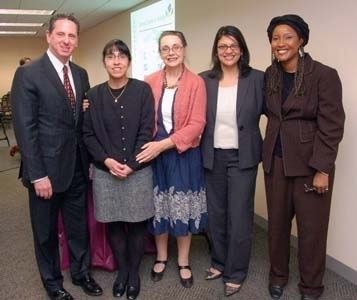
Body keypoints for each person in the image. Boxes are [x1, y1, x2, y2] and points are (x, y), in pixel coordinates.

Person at [10, 13, 103, 300]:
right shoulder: (29, 73)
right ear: (48, 36)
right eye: (60, 34)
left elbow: (78, 121)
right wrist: (38, 174)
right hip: (45, 173)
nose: (66, 40)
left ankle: (81, 273)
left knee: (78, 227)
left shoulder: (80, 73)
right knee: (46, 233)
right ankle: (52, 283)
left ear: (77, 40)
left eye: (72, 35)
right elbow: (26, 129)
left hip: (76, 166)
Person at [263, 15, 345, 300]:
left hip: (311, 166)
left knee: (311, 232)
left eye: (287, 37)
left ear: (301, 40)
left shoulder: (324, 75)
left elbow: (332, 125)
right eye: (275, 38)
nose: (280, 43)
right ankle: (278, 275)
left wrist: (322, 168)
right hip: (276, 163)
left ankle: (311, 287)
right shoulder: (269, 75)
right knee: (276, 226)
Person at [82, 39, 155, 300]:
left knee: (136, 224)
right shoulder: (92, 95)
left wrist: (132, 164)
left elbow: (147, 129)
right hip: (105, 171)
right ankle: (122, 271)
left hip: (138, 171)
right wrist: (107, 161)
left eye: (122, 56)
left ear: (129, 61)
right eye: (111, 56)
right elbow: (88, 135)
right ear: (104, 62)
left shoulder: (143, 90)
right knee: (113, 223)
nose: (116, 61)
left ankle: (133, 273)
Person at [136, 30, 207, 288]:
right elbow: (141, 116)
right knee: (159, 206)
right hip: (156, 157)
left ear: (184, 49)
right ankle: (162, 256)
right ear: (159, 52)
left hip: (183, 153)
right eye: (165, 48)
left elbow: (198, 123)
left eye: (176, 46)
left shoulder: (196, 82)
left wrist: (163, 145)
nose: (171, 52)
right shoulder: (149, 80)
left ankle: (184, 260)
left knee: (182, 206)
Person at [199, 25, 264, 297]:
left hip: (243, 158)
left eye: (233, 46)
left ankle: (235, 272)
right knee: (216, 214)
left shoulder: (257, 79)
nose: (228, 51)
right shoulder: (204, 80)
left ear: (242, 50)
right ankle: (219, 261)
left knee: (238, 217)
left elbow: (279, 112)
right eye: (223, 46)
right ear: (216, 50)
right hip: (212, 156)